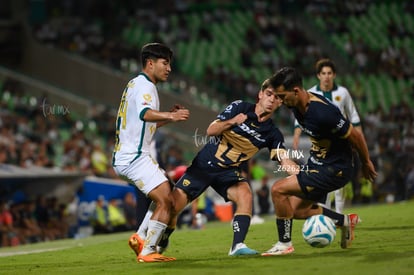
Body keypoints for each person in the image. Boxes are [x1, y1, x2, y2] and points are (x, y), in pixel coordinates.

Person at [166, 77, 298, 256]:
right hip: (205, 164)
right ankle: (163, 237)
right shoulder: (240, 107)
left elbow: (283, 159)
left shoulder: (273, 134)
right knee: (173, 207)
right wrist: (233, 121)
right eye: (269, 94)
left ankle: (237, 246)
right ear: (260, 94)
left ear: (280, 103)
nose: (271, 99)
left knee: (245, 194)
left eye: (277, 98)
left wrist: (300, 174)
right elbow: (211, 130)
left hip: (228, 172)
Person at [262, 67, 377, 256]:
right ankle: (345, 222)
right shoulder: (296, 106)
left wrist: (366, 163)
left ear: (296, 91)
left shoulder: (323, 113)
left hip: (334, 168)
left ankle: (284, 244)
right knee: (296, 211)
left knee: (278, 189)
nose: (280, 101)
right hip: (318, 163)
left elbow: (355, 136)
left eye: (282, 96)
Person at [112, 42, 190, 263]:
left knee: (167, 197)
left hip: (127, 156)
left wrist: (167, 117)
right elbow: (146, 114)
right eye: (165, 63)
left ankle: (141, 236)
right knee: (168, 199)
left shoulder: (135, 84)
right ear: (150, 63)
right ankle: (148, 249)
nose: (169, 69)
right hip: (134, 157)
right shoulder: (146, 86)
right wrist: (170, 115)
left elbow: (144, 124)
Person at [292, 58, 363, 213]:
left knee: (338, 184)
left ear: (334, 75)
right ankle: (326, 217)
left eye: (329, 73)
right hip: (322, 143)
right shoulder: (311, 93)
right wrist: (296, 136)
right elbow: (300, 120)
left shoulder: (342, 92)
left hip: (343, 141)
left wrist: (359, 140)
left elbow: (354, 117)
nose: (326, 76)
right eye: (323, 73)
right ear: (318, 75)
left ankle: (339, 215)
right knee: (323, 181)